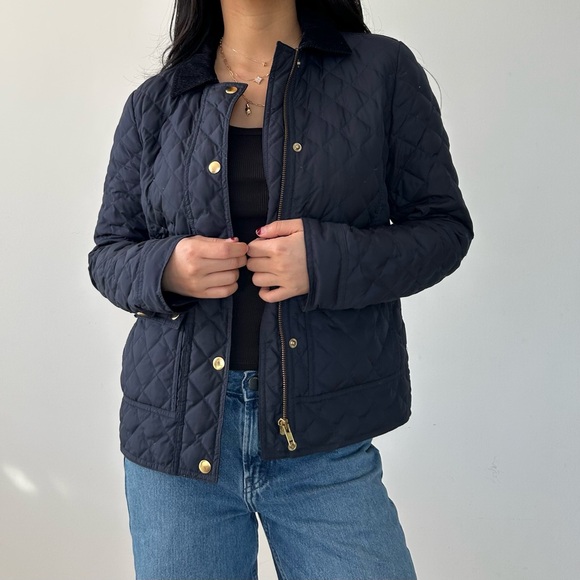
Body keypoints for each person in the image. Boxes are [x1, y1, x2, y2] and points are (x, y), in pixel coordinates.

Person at [88, 0, 473, 578]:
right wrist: (168, 267)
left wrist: (324, 260)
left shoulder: (381, 71)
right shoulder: (156, 101)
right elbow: (109, 253)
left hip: (323, 441)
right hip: (176, 440)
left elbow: (443, 230)